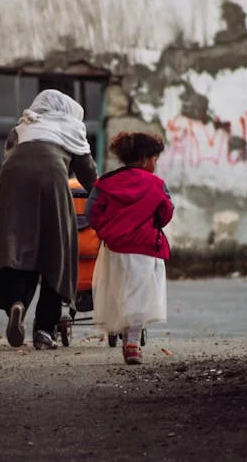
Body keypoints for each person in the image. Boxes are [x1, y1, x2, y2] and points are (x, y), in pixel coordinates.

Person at [0, 89, 98, 350]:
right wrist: (104, 194)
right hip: (51, 178)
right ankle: (44, 330)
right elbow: (89, 174)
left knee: (21, 246)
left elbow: (9, 154)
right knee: (55, 252)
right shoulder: (71, 128)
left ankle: (16, 301)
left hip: (13, 178)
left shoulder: (25, 125)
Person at [85, 132, 173, 365]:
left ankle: (122, 331)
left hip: (115, 248)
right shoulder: (156, 185)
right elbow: (165, 213)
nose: (155, 163)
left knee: (119, 289)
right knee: (139, 294)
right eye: (155, 158)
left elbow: (91, 213)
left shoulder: (105, 182)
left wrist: (107, 230)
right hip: (145, 248)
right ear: (145, 159)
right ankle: (132, 342)